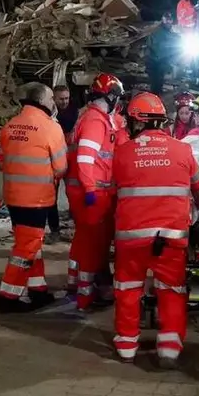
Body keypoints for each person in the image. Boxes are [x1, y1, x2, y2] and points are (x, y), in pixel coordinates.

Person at [111, 92, 199, 367]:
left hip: (131, 237)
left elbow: (112, 191)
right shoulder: (183, 150)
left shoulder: (123, 152)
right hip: (171, 236)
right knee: (171, 289)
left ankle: (127, 346)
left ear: (137, 121)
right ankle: (168, 347)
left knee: (128, 289)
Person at [0, 83, 68, 312]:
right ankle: (8, 296)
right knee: (26, 249)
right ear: (41, 101)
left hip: (14, 198)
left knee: (30, 245)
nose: (53, 103)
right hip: (36, 199)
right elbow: (61, 167)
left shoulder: (10, 126)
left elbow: (0, 161)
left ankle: (38, 290)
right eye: (50, 99)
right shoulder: (50, 128)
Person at [65, 73, 125, 309]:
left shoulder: (96, 118)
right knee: (94, 245)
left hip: (90, 189)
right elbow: (85, 158)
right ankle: (85, 296)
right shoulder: (95, 121)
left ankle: (78, 286)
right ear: (110, 97)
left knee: (86, 241)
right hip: (92, 191)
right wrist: (91, 188)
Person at [47, 84, 79, 244]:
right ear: (54, 99)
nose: (65, 101)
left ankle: (75, 223)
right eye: (61, 99)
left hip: (71, 158)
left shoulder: (75, 110)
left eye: (67, 98)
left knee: (73, 192)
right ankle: (54, 230)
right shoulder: (49, 114)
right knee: (51, 195)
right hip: (55, 159)